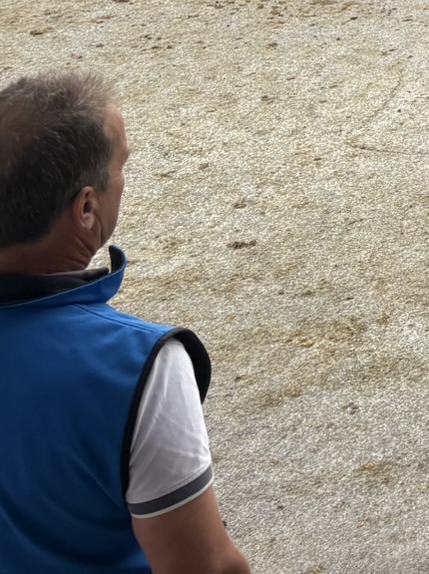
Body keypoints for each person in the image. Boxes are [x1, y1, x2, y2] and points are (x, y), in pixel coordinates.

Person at [0, 71, 251, 572]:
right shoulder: (136, 367)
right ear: (86, 207)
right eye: (121, 167)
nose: (123, 179)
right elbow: (205, 568)